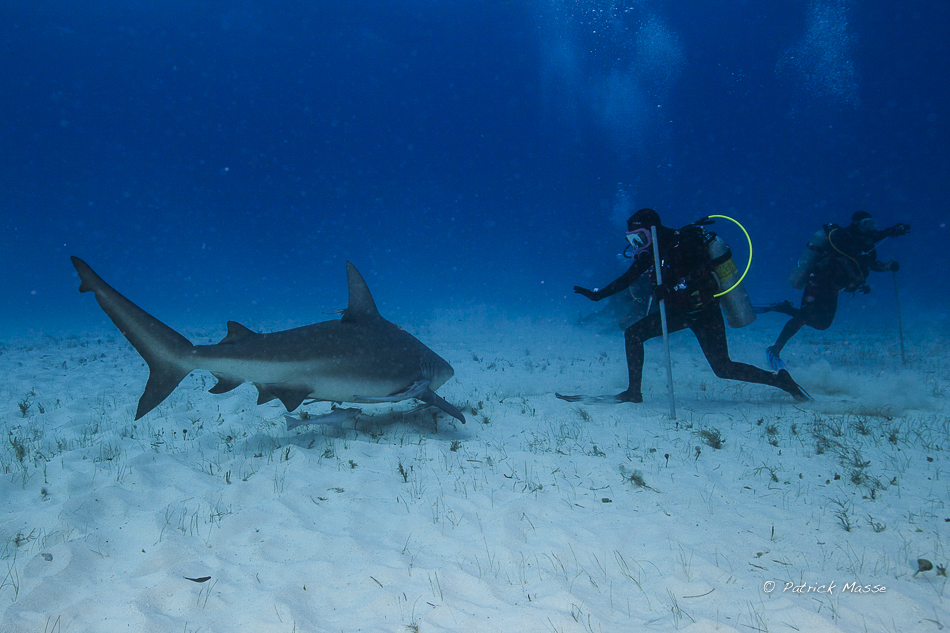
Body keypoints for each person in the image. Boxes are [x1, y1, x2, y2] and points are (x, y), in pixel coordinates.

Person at [558, 208, 809, 404]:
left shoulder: (684, 243)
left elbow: (700, 274)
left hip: (703, 312)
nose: (637, 246)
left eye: (640, 238)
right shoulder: (652, 252)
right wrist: (598, 295)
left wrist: (670, 287)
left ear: (652, 231)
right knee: (632, 334)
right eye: (633, 241)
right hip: (677, 312)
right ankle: (634, 392)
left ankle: (781, 381)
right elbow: (629, 277)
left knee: (723, 368)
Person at [757, 211, 910, 366]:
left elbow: (870, 262)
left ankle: (783, 308)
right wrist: (889, 231)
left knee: (822, 324)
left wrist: (886, 266)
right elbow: (854, 246)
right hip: (819, 281)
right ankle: (775, 349)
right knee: (804, 315)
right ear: (855, 224)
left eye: (872, 223)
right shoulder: (842, 236)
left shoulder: (867, 243)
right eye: (866, 223)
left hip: (835, 288)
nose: (870, 227)